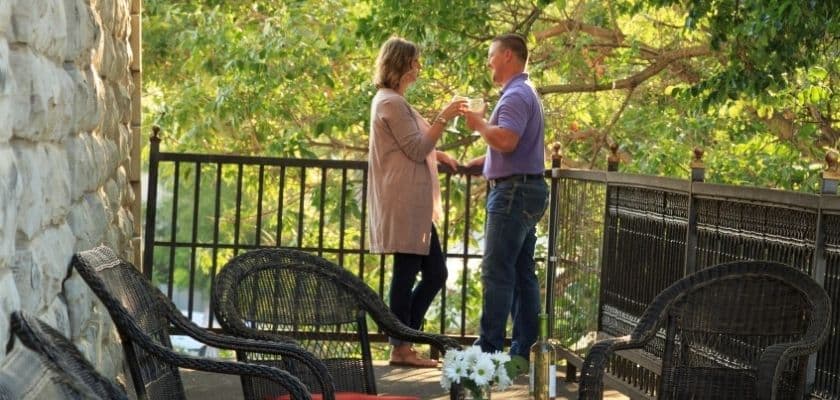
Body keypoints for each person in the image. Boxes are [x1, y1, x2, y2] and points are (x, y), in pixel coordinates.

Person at [367, 37, 466, 368]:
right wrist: (444, 116)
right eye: (414, 62)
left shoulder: (392, 101)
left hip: (411, 202)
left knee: (434, 273)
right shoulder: (391, 103)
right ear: (402, 64)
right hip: (404, 200)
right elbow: (416, 148)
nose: (418, 68)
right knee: (408, 272)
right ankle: (401, 346)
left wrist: (439, 154)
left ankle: (403, 339)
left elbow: (413, 145)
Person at [463, 33, 549, 359]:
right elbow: (515, 146)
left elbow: (508, 140)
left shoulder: (515, 95)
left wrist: (479, 125)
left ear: (508, 56)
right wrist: (487, 162)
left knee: (497, 271)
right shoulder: (526, 91)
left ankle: (488, 350)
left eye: (492, 54)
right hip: (528, 190)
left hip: (513, 194)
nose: (489, 62)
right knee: (523, 272)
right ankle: (524, 349)